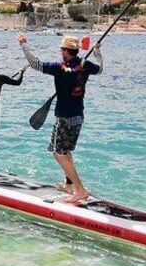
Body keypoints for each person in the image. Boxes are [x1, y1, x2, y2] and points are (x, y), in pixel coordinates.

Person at [16, 32, 102, 204]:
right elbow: (100, 69)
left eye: (62, 50)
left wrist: (23, 44)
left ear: (65, 52)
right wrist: (97, 52)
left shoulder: (59, 68)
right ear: (76, 51)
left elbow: (35, 63)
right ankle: (68, 185)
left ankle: (80, 190)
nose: (60, 52)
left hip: (63, 116)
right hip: (78, 116)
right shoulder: (85, 65)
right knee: (66, 151)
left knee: (58, 154)